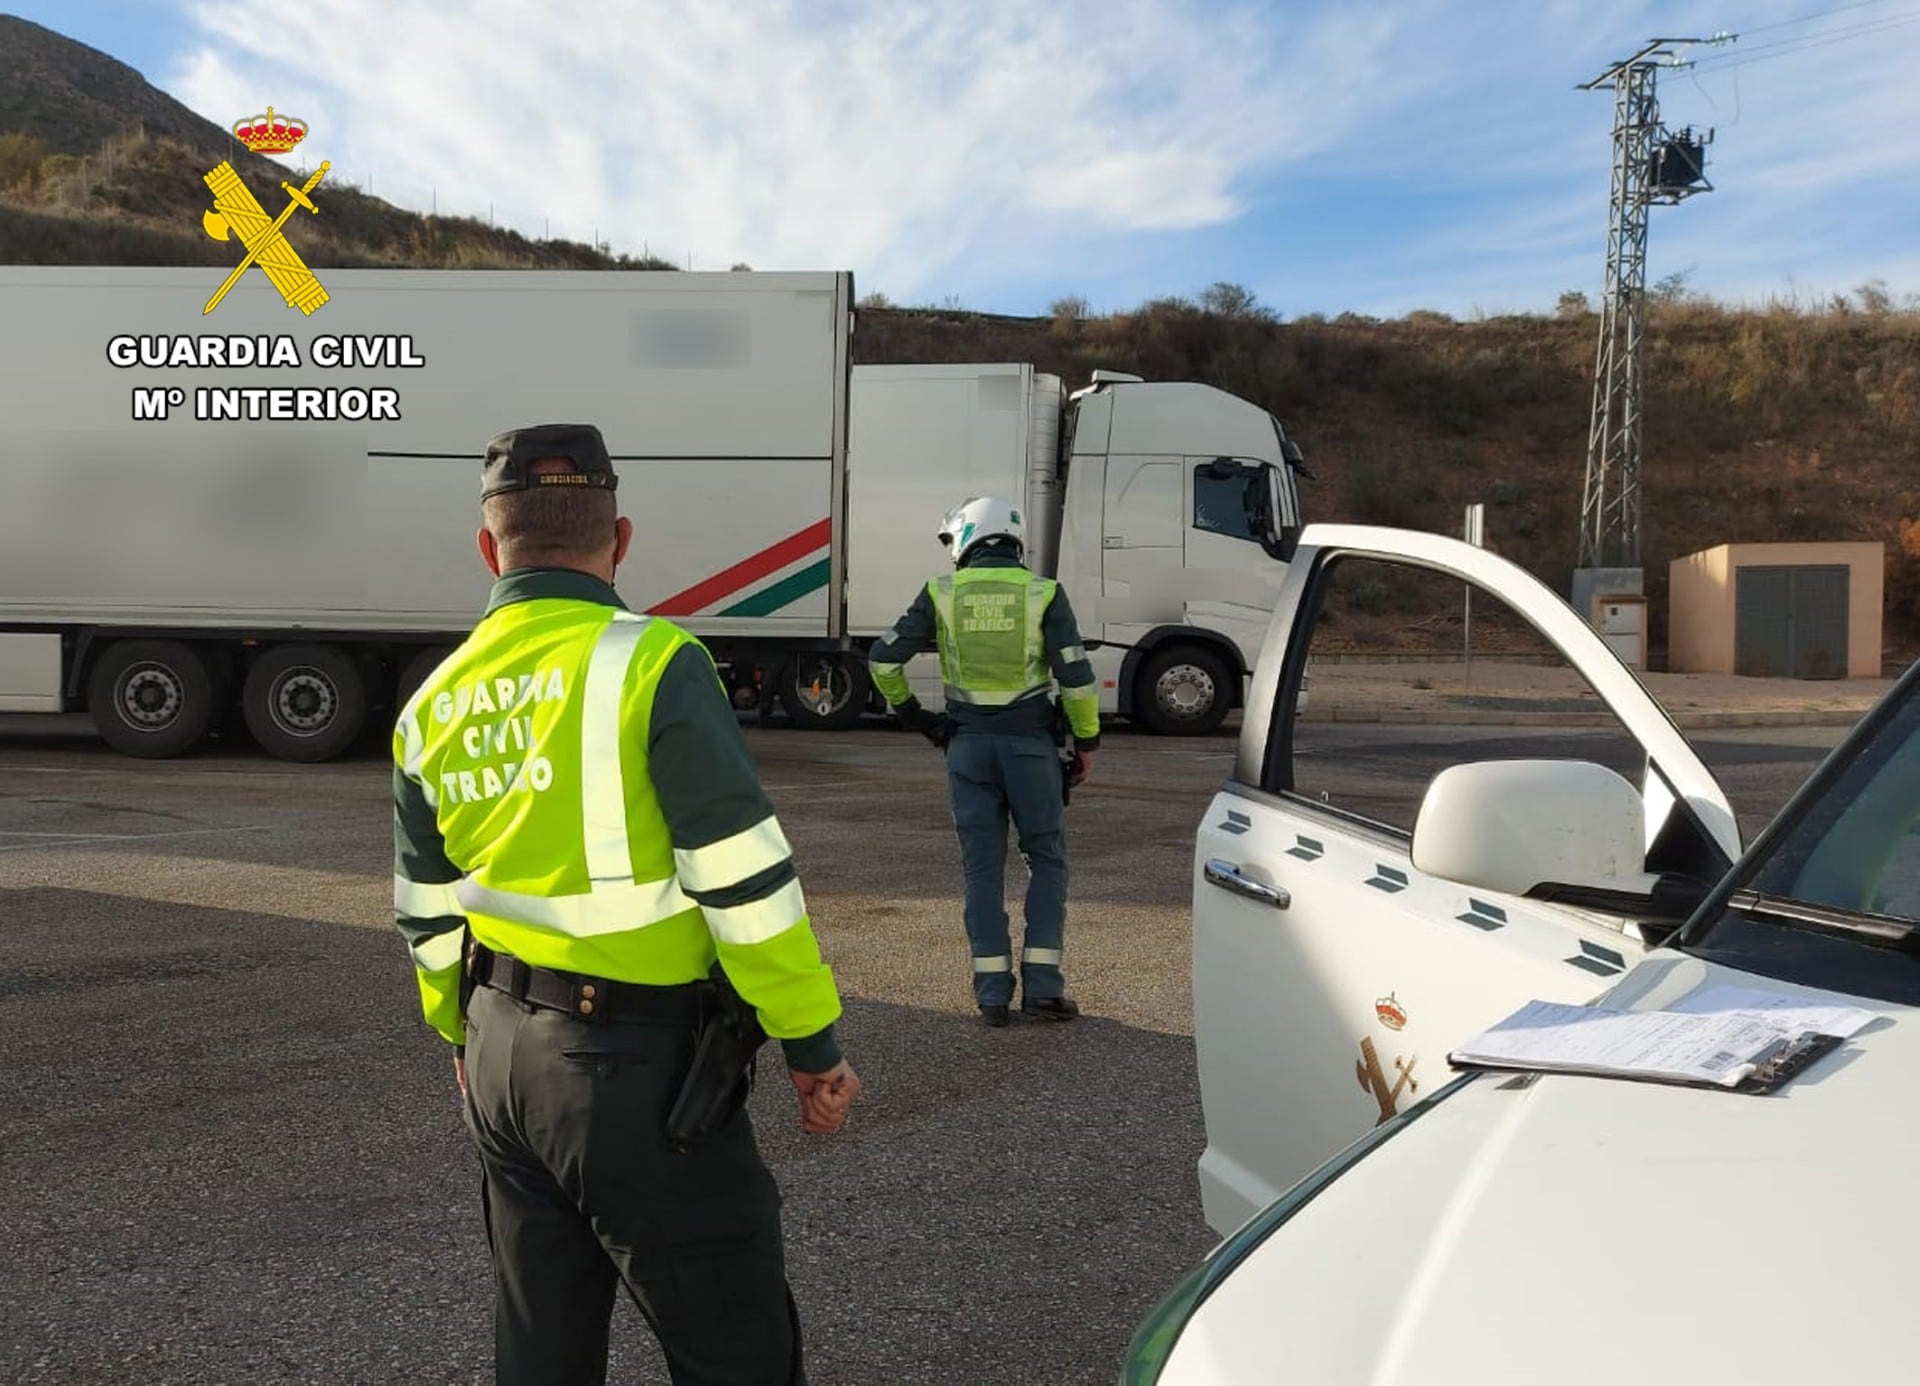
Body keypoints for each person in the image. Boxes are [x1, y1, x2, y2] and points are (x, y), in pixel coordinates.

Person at [391, 422, 859, 1385]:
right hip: (635, 1073)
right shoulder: (656, 663)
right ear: (622, 538)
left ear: (489, 549)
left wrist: (459, 1041)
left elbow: (425, 914)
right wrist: (810, 1043)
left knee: (542, 1348)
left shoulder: (431, 700)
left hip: (500, 1059)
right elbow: (744, 882)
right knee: (736, 1351)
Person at [866, 495, 1101, 1027]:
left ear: (968, 537)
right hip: (1031, 747)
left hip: (967, 747)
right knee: (1046, 860)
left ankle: (991, 994)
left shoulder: (941, 593)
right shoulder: (1044, 593)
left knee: (981, 870)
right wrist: (1087, 744)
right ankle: (1043, 987)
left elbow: (882, 662)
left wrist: (918, 719)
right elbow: (1078, 681)